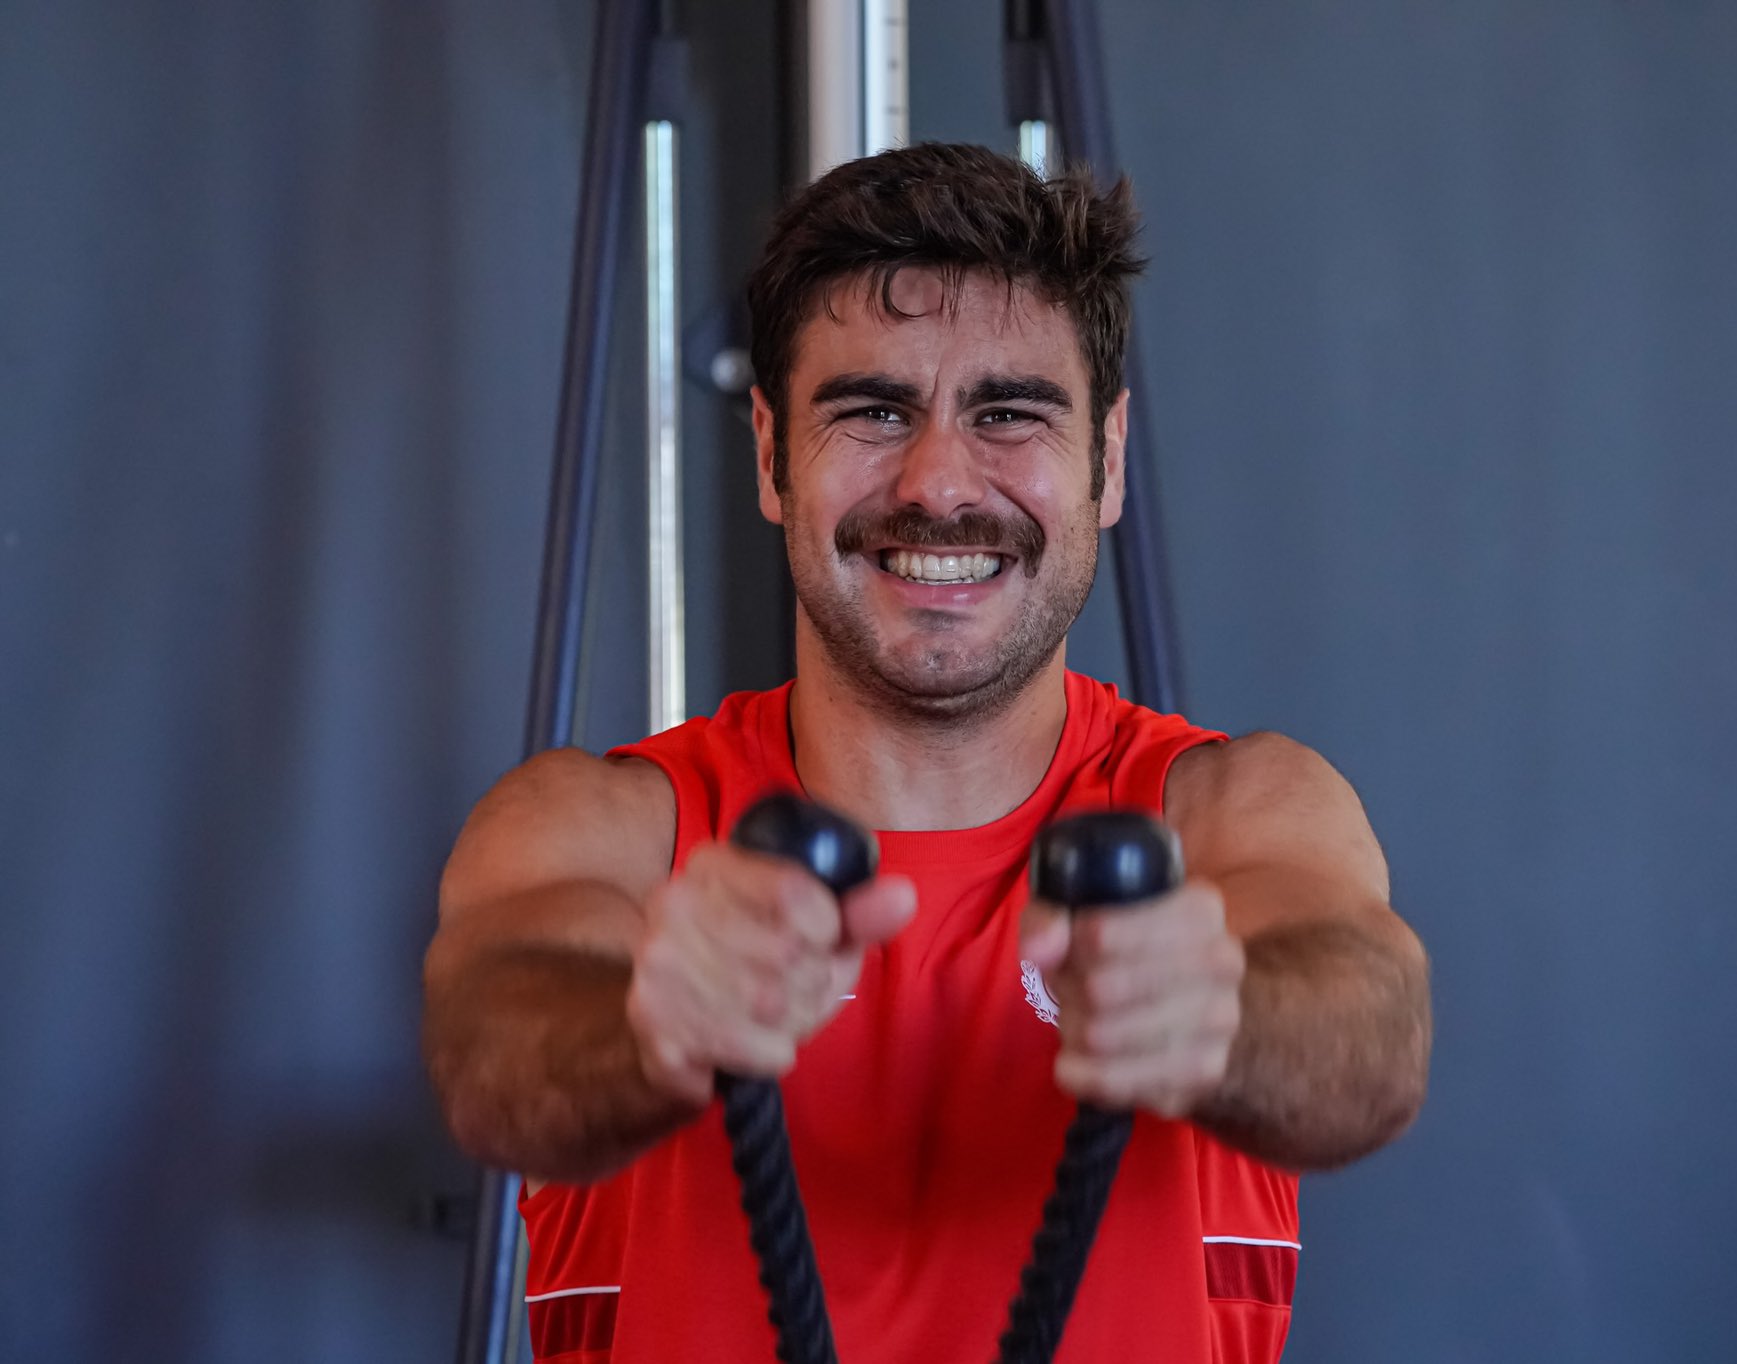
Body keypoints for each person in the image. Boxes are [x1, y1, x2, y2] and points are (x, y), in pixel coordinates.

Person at [422, 141, 1431, 1364]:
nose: (939, 481)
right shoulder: (611, 827)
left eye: (1008, 412)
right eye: (871, 410)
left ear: (1106, 462)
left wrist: (1219, 1009)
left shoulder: (1223, 814)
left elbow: (1369, 1036)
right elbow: (490, 1046)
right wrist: (649, 1023)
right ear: (766, 454)